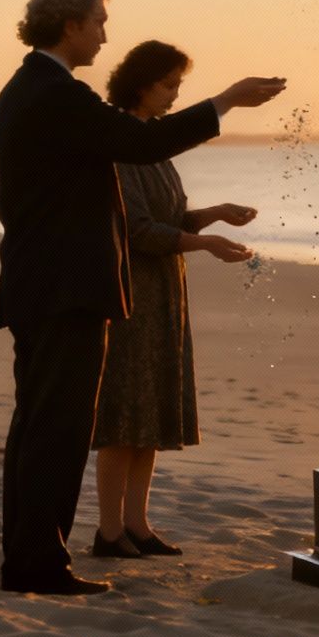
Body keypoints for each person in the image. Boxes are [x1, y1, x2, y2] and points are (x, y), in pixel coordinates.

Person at [0, 0, 285, 595]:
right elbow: (143, 143)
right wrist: (225, 101)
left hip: (40, 284)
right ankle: (37, 565)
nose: (104, 34)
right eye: (98, 21)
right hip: (65, 288)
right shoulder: (54, 94)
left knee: (37, 428)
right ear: (70, 24)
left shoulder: (30, 90)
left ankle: (28, 557)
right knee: (57, 432)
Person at [89, 41, 259, 559]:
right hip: (131, 295)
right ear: (142, 84)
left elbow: (171, 219)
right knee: (122, 421)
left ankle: (138, 524)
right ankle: (109, 531)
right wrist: (203, 243)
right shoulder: (120, 145)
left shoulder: (154, 149)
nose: (174, 96)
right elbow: (139, 230)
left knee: (150, 418)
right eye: (168, 86)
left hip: (165, 293)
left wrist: (212, 215)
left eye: (179, 86)